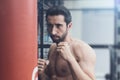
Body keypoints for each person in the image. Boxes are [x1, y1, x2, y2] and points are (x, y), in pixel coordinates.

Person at [38, 6, 96, 80]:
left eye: (58, 26)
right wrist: (41, 73)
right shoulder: (52, 48)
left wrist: (70, 58)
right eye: (50, 25)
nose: (53, 31)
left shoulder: (82, 49)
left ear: (69, 26)